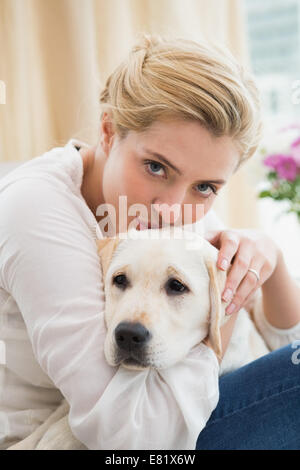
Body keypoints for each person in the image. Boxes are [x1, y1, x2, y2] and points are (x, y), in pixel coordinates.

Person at [0, 32, 300, 450]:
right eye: (156, 167)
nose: (172, 211)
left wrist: (270, 257)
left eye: (207, 186)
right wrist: (222, 309)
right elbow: (131, 437)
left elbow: (285, 346)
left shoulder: (174, 215)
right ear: (108, 131)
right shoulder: (35, 208)